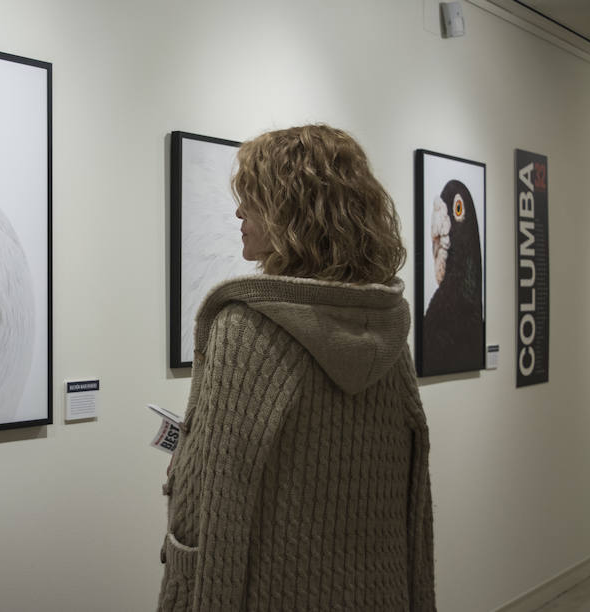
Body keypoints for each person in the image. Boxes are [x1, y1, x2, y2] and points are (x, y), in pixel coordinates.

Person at [158, 125, 435, 611]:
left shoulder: (246, 328)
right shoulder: (382, 323)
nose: (239, 211)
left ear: (293, 210)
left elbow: (217, 501)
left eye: (253, 198)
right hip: (378, 590)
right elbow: (414, 496)